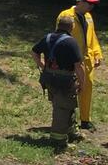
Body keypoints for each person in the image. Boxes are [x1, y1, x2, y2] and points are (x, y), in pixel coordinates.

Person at [31, 15, 87, 146]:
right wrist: (82, 83)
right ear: (71, 27)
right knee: (62, 108)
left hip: (49, 78)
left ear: (58, 26)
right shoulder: (71, 42)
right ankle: (58, 140)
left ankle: (72, 131)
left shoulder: (47, 38)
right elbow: (79, 66)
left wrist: (42, 65)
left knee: (66, 105)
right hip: (65, 80)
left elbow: (34, 52)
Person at [56, 0, 102, 130]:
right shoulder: (66, 16)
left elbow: (92, 36)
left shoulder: (88, 17)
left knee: (87, 88)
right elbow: (59, 37)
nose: (91, 6)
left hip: (86, 60)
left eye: (93, 4)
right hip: (70, 60)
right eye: (89, 3)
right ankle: (67, 120)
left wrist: (97, 53)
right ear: (80, 2)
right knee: (69, 90)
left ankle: (85, 120)